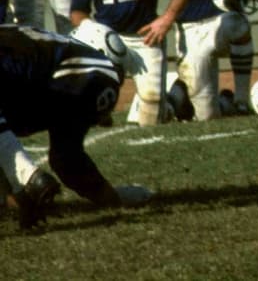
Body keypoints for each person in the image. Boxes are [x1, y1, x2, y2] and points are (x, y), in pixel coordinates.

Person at [0, 22, 154, 230]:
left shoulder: (42, 50)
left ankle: (27, 179)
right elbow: (67, 160)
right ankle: (29, 177)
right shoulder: (92, 69)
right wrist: (113, 198)